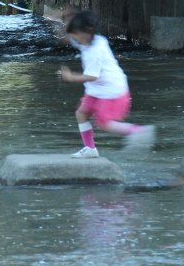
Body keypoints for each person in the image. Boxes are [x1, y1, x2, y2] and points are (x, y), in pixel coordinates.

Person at [58, 9, 155, 158]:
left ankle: (137, 131)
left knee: (103, 123)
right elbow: (67, 39)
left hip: (111, 90)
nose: (75, 39)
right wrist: (64, 23)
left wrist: (72, 77)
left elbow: (92, 76)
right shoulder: (93, 39)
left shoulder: (95, 51)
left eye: (76, 35)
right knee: (81, 113)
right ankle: (90, 149)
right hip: (97, 90)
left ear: (86, 31)